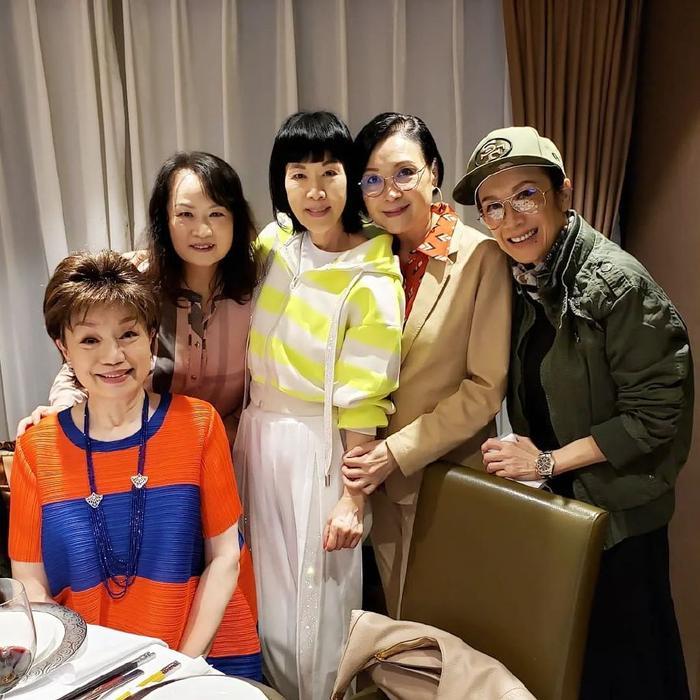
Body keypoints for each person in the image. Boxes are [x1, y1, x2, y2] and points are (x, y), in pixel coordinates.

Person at [455, 126, 692, 699]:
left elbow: (655, 415)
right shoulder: (523, 278)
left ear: (563, 192)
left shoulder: (617, 285)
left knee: (630, 670)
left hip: (619, 517)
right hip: (563, 510)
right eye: (493, 206)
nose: (510, 219)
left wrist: (545, 463)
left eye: (526, 195)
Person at [9, 251, 262, 679]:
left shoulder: (199, 425)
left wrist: (180, 665)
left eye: (128, 334)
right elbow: (31, 584)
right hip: (91, 667)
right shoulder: (36, 449)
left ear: (151, 338)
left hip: (202, 658)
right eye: (90, 340)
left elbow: (225, 558)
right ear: (63, 349)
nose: (113, 356)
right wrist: (91, 670)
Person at [234, 111, 404, 700]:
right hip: (256, 438)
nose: (315, 191)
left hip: (319, 448)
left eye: (329, 172)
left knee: (317, 606)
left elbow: (365, 397)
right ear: (280, 182)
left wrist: (354, 499)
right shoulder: (275, 246)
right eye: (298, 175)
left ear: (350, 178)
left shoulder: (373, 274)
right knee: (261, 593)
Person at [342, 113, 511, 616]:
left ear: (433, 172)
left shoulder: (480, 257)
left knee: (449, 631)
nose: (389, 192)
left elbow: (484, 388)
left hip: (444, 481)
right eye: (372, 180)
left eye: (404, 173)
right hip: (373, 484)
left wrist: (395, 452)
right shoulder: (365, 254)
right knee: (397, 626)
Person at [16, 151, 257, 446]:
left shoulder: (258, 290)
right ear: (164, 220)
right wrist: (64, 413)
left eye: (216, 213)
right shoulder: (135, 281)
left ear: (236, 219)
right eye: (185, 214)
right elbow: (86, 356)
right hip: (138, 449)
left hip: (226, 450)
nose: (203, 230)